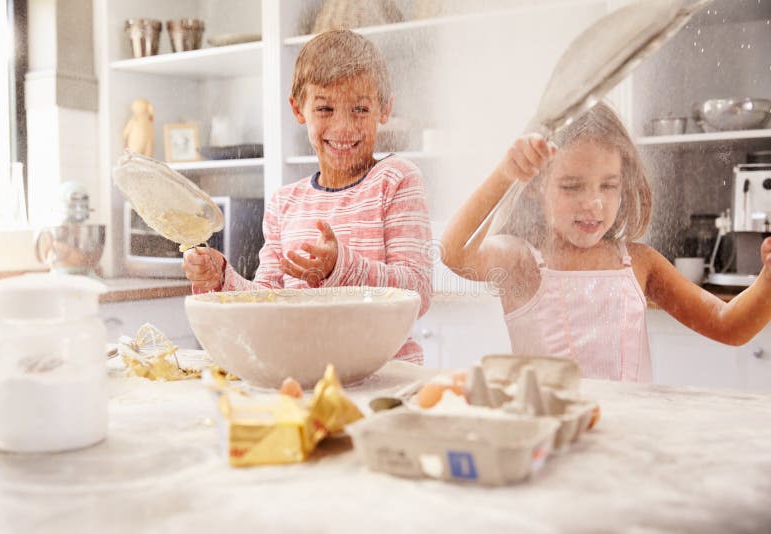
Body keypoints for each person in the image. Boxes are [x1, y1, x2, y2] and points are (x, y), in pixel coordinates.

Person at [440, 102, 771, 382]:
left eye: (608, 186)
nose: (593, 203)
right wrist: (506, 174)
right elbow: (454, 253)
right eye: (572, 186)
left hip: (627, 446)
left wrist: (768, 279)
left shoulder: (640, 263)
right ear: (537, 185)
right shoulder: (520, 262)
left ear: (624, 184)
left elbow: (730, 327)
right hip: (554, 445)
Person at [183, 30, 433, 364]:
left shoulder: (397, 180)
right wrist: (222, 278)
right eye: (325, 109)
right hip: (300, 371)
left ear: (384, 109)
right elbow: (268, 302)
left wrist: (340, 267)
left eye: (360, 109)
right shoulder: (285, 204)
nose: (343, 127)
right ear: (298, 109)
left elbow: (417, 291)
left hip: (385, 376)